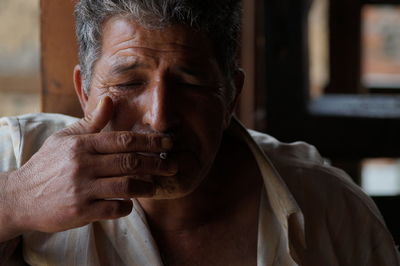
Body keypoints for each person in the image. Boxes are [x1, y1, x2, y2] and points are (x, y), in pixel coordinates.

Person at [0, 0, 399, 265]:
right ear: (85, 92)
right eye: (128, 83)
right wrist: (14, 202)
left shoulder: (330, 208)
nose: (160, 118)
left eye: (190, 84)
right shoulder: (21, 157)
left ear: (230, 96)